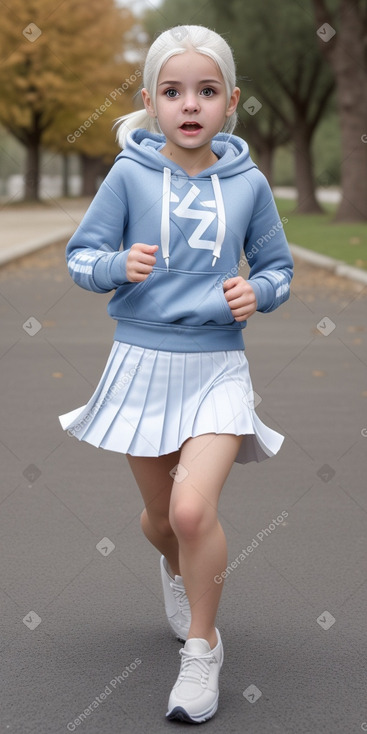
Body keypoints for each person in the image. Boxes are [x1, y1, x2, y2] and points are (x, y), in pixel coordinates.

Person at [59, 24, 293, 724]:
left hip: (218, 364)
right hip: (140, 363)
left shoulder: (249, 183)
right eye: (172, 91)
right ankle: (177, 567)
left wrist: (263, 292)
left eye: (205, 91)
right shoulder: (128, 175)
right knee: (161, 520)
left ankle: (202, 645)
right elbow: (80, 257)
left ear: (230, 103)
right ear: (150, 102)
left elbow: (277, 266)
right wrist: (111, 267)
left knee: (193, 510)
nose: (189, 104)